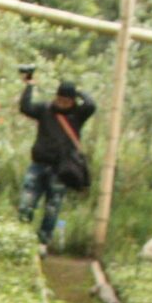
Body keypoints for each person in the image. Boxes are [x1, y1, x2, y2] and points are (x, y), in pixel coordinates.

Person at [17, 75, 96, 248]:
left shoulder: (77, 115)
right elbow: (25, 107)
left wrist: (80, 92)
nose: (62, 103)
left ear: (72, 101)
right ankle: (20, 238)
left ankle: (43, 241)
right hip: (38, 165)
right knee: (26, 204)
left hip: (61, 170)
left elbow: (91, 105)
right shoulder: (45, 110)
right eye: (60, 99)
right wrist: (29, 86)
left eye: (66, 100)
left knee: (52, 208)